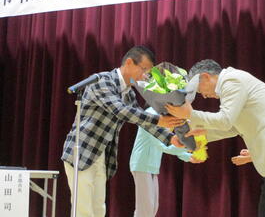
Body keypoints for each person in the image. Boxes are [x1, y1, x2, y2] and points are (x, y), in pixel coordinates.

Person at [166, 59, 265, 217]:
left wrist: (189, 114)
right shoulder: (233, 81)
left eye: (199, 90)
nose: (202, 96)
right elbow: (232, 128)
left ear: (205, 76)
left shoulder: (232, 80)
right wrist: (195, 137)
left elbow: (224, 121)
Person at [61, 46, 185, 217]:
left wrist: (171, 139)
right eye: (143, 70)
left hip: (101, 154)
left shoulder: (128, 93)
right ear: (128, 62)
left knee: (98, 209)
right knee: (83, 210)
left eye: (147, 73)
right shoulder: (102, 81)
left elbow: (143, 123)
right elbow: (121, 111)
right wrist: (158, 119)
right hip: (81, 151)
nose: (144, 76)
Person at [130, 106, 203, 217]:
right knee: (145, 209)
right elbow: (164, 145)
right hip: (141, 163)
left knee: (152, 208)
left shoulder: (165, 114)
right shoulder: (151, 115)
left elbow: (166, 145)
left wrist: (189, 156)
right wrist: (188, 148)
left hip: (152, 165)